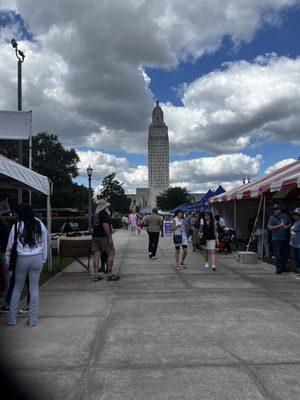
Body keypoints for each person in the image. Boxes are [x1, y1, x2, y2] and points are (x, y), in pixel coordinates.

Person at [5, 204, 48, 327]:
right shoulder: (39, 224)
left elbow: (10, 246)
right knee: (34, 289)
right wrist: (43, 259)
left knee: (17, 289)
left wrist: (8, 261)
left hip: (21, 259)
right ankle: (33, 320)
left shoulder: (17, 226)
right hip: (37, 258)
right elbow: (45, 242)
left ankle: (12, 319)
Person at [92, 199, 119, 282]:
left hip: (95, 237)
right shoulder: (104, 213)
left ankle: (96, 275)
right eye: (107, 206)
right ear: (104, 206)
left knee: (96, 255)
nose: (107, 207)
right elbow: (105, 226)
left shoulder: (95, 214)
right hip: (104, 237)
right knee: (111, 253)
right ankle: (109, 274)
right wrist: (110, 237)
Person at [268, 204, 291, 274]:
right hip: (276, 238)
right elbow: (269, 227)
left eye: (277, 209)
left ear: (280, 210)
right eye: (274, 210)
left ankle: (283, 267)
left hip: (285, 238)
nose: (275, 211)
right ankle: (279, 267)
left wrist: (287, 226)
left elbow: (290, 223)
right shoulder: (272, 217)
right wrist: (279, 225)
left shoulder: (285, 216)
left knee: (285, 253)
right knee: (278, 254)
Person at [0, 219, 10, 312]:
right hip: (4, 253)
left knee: (6, 277)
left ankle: (6, 302)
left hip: (3, 253)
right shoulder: (4, 225)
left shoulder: (2, 225)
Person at [290, 208, 300, 277]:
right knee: (295, 257)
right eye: (294, 214)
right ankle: (298, 272)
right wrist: (291, 241)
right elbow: (292, 231)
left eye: (296, 214)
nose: (294, 215)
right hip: (294, 243)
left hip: (299, 243)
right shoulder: (296, 222)